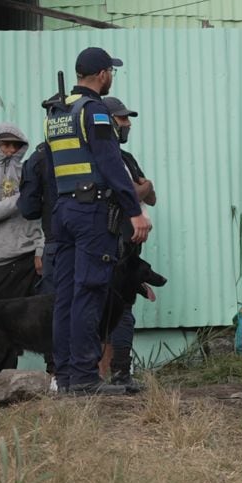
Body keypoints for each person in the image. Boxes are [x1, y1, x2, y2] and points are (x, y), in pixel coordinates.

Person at [45, 48, 150, 396]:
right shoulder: (95, 111)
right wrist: (134, 210)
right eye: (111, 73)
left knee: (66, 296)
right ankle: (85, 378)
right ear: (103, 74)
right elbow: (110, 164)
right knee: (89, 292)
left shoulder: (56, 112)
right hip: (91, 212)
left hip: (62, 211)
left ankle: (66, 376)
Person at [103, 97, 157, 390]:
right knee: (119, 309)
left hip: (132, 242)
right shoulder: (104, 156)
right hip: (116, 240)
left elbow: (150, 195)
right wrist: (141, 187)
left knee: (120, 308)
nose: (128, 124)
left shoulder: (127, 157)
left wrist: (141, 188)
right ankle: (119, 375)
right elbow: (131, 191)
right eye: (123, 119)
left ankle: (118, 374)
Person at [0, 123, 44, 302]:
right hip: (1, 261)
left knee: (35, 320)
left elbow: (43, 214)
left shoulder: (30, 172)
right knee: (5, 322)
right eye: (5, 144)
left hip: (31, 257)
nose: (10, 150)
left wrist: (41, 249)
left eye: (15, 145)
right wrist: (22, 198)